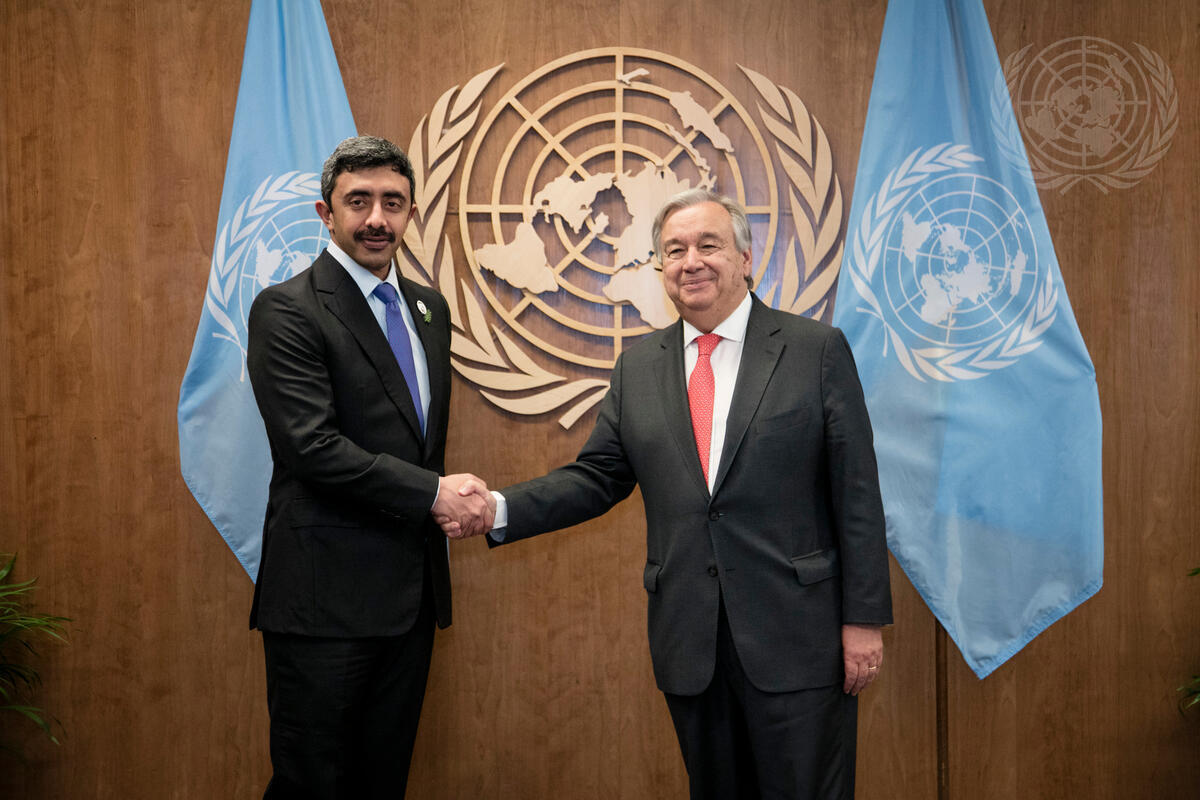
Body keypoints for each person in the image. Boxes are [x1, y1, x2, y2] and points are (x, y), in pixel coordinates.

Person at [444, 189, 892, 799]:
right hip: (691, 641)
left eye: (709, 245)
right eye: (675, 250)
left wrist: (862, 620)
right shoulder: (639, 369)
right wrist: (496, 508)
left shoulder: (815, 350)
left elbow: (856, 493)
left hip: (798, 639)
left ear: (745, 258)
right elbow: (596, 478)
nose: (691, 262)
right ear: (661, 268)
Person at [246, 135, 494, 799]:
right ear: (326, 213)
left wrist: (434, 494)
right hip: (324, 602)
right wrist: (434, 494)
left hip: (409, 600)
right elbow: (311, 447)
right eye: (358, 202)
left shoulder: (428, 309)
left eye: (392, 202)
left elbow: (415, 439)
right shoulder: (288, 308)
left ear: (411, 212)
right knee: (312, 786)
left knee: (382, 784)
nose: (377, 218)